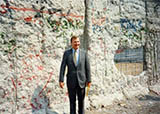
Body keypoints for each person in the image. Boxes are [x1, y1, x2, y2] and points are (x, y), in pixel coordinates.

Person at [59, 36, 91, 114]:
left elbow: (87, 67)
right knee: (72, 102)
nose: (77, 43)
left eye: (78, 42)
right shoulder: (67, 53)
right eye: (75, 42)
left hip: (82, 81)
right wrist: (61, 80)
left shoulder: (84, 53)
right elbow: (62, 67)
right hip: (71, 81)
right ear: (71, 43)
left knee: (81, 102)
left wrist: (89, 80)